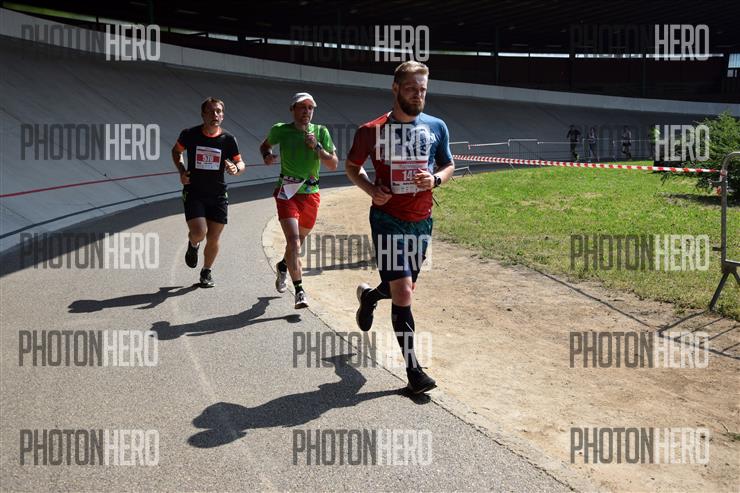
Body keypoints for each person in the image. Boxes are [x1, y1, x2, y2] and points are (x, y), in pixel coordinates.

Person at [345, 61, 454, 395]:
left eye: (422, 89)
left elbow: (448, 164)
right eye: (411, 89)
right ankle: (414, 372)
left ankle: (369, 297)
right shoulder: (371, 130)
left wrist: (435, 180)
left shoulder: (436, 126)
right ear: (395, 89)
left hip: (421, 221)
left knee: (401, 288)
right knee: (404, 292)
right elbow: (352, 166)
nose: (418, 95)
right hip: (387, 219)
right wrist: (370, 189)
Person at [260, 93, 338, 309]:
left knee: (298, 242)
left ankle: (283, 265)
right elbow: (265, 145)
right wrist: (267, 155)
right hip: (287, 191)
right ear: (292, 109)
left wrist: (317, 147)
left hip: (311, 194)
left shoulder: (321, 132)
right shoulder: (280, 130)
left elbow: (333, 164)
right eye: (302, 107)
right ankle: (300, 291)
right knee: (294, 242)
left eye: (310, 108)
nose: (307, 111)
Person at [172, 97, 245, 288]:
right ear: (203, 114)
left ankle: (206, 272)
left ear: (223, 115)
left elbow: (240, 162)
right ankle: (193, 244)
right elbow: (176, 151)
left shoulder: (228, 139)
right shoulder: (189, 134)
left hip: (218, 195)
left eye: (219, 111)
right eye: (211, 111)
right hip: (194, 192)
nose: (215, 114)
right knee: (199, 232)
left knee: (213, 237)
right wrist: (181, 171)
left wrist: (236, 168)